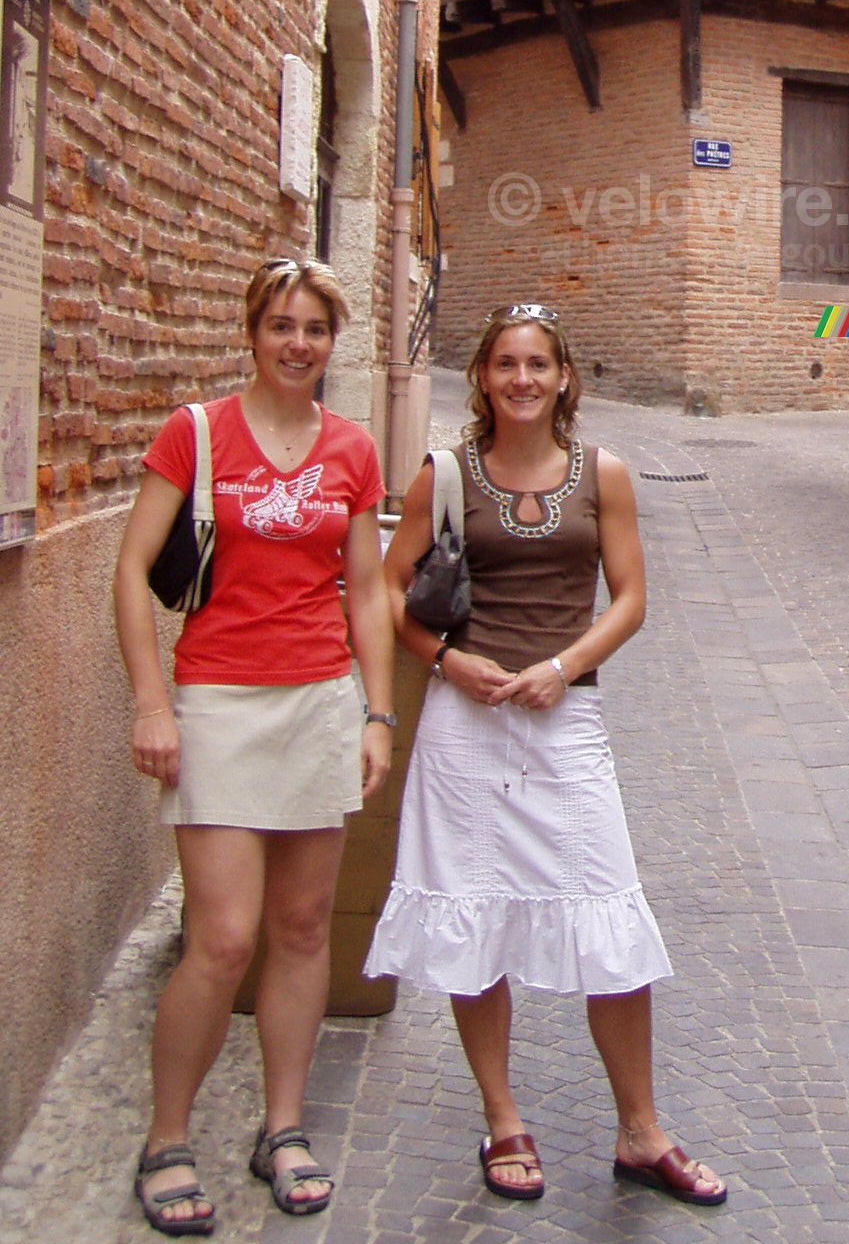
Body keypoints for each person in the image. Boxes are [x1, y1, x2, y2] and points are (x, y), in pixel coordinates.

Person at [365, 302, 726, 1207]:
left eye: (538, 365)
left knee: (610, 914)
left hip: (567, 721)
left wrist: (563, 668)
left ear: (565, 378)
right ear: (483, 378)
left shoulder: (603, 474)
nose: (522, 379)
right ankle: (503, 1119)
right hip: (466, 725)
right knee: (476, 913)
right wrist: (448, 662)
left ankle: (641, 1132)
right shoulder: (443, 477)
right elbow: (385, 593)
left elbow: (630, 599)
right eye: (505, 365)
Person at [114, 258, 394, 1235]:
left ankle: (281, 1127)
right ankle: (167, 1135)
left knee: (306, 927)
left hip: (319, 699)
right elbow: (130, 570)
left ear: (330, 340)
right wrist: (153, 701)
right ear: (253, 331)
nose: (296, 342)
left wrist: (376, 712)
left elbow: (365, 591)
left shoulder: (351, 449)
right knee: (223, 935)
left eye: (314, 327)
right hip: (219, 699)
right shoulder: (195, 434)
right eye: (281, 324)